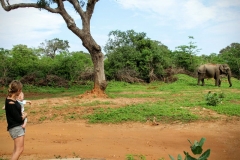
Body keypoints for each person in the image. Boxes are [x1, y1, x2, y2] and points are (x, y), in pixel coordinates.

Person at [5, 80, 27, 160]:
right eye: (20, 90)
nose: (21, 92)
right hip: (16, 127)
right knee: (20, 149)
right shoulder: (11, 103)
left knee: (16, 150)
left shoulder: (10, 99)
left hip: (15, 127)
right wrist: (25, 115)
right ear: (18, 90)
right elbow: (18, 118)